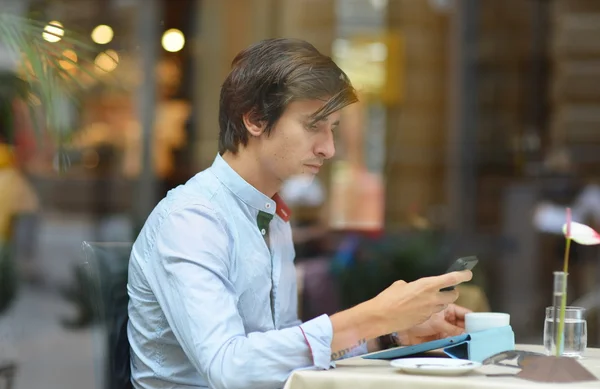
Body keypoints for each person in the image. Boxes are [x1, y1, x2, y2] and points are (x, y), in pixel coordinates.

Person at [127, 38, 472, 389]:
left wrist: (392, 335)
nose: (328, 148)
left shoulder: (271, 216)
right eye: (313, 125)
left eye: (332, 128)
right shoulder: (192, 219)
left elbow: (280, 352)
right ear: (255, 119)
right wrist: (372, 317)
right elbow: (229, 367)